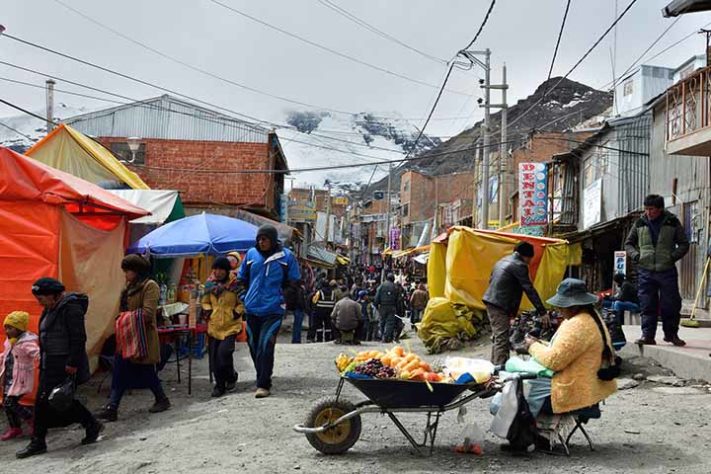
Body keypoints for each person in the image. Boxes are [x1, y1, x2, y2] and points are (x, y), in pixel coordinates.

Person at [17, 278, 102, 459]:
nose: (39, 302)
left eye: (41, 298)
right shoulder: (50, 309)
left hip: (64, 363)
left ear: (53, 295)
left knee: (55, 401)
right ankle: (40, 440)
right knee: (45, 402)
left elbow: (78, 338)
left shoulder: (71, 308)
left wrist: (72, 363)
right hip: (49, 363)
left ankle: (88, 424)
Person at [521, 278, 617, 417]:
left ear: (573, 306)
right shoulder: (591, 317)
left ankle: (529, 432)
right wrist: (541, 344)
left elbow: (553, 361)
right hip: (590, 387)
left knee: (520, 390)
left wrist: (532, 346)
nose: (558, 309)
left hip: (577, 392)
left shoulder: (578, 324)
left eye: (561, 306)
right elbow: (569, 350)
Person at [97, 255, 170, 422]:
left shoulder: (150, 286)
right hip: (127, 338)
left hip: (143, 337)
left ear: (137, 271)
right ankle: (112, 407)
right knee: (120, 370)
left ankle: (161, 399)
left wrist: (124, 318)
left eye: (127, 271)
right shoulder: (129, 287)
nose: (125, 275)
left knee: (146, 371)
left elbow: (148, 313)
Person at [238, 224, 300, 398]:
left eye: (264, 239)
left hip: (273, 310)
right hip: (251, 309)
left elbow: (294, 282)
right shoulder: (251, 254)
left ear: (272, 240)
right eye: (259, 239)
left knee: (266, 346)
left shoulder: (286, 257)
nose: (261, 242)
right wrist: (244, 296)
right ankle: (263, 375)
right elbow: (242, 278)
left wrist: (282, 298)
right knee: (253, 345)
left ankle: (263, 384)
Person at [625, 194, 689, 346]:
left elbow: (684, 244)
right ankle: (647, 335)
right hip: (645, 270)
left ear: (660, 209)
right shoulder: (640, 223)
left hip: (666, 270)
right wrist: (636, 256)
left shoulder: (672, 221)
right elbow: (629, 244)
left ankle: (671, 334)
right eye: (646, 209)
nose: (648, 212)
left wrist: (671, 257)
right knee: (647, 304)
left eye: (651, 209)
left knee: (671, 304)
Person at [483, 241, 548, 366]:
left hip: (492, 302)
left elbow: (492, 280)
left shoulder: (502, 261)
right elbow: (529, 289)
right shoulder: (519, 265)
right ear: (526, 256)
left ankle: (494, 367)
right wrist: (542, 311)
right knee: (502, 338)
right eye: (530, 259)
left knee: (499, 337)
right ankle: (500, 371)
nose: (529, 262)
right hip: (499, 305)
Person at [202, 257, 243, 398]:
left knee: (224, 354)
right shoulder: (209, 285)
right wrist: (207, 310)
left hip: (231, 326)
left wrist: (235, 313)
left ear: (227, 270)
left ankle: (231, 376)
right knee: (215, 359)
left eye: (221, 269)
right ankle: (220, 385)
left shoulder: (236, 284)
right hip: (214, 327)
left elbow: (242, 302)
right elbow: (205, 301)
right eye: (216, 269)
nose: (218, 272)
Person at [1, 311, 39, 441]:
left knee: (11, 403)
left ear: (19, 328)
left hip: (20, 379)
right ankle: (15, 427)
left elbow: (36, 353)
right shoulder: (10, 341)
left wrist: (42, 361)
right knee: (7, 403)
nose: (7, 330)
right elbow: (5, 355)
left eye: (10, 328)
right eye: (6, 327)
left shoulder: (26, 342)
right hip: (8, 377)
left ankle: (32, 421)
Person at [374, 273, 400, 343]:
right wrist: (398, 309)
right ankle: (387, 337)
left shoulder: (381, 286)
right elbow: (398, 299)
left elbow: (377, 297)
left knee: (382, 321)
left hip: (382, 306)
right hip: (392, 307)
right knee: (390, 322)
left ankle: (383, 335)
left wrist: (376, 305)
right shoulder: (395, 287)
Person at [284, 279, 306, 344]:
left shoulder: (293, 289)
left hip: (295, 308)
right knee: (298, 325)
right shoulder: (299, 290)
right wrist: (303, 307)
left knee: (297, 324)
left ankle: (296, 339)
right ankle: (297, 339)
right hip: (299, 308)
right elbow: (300, 300)